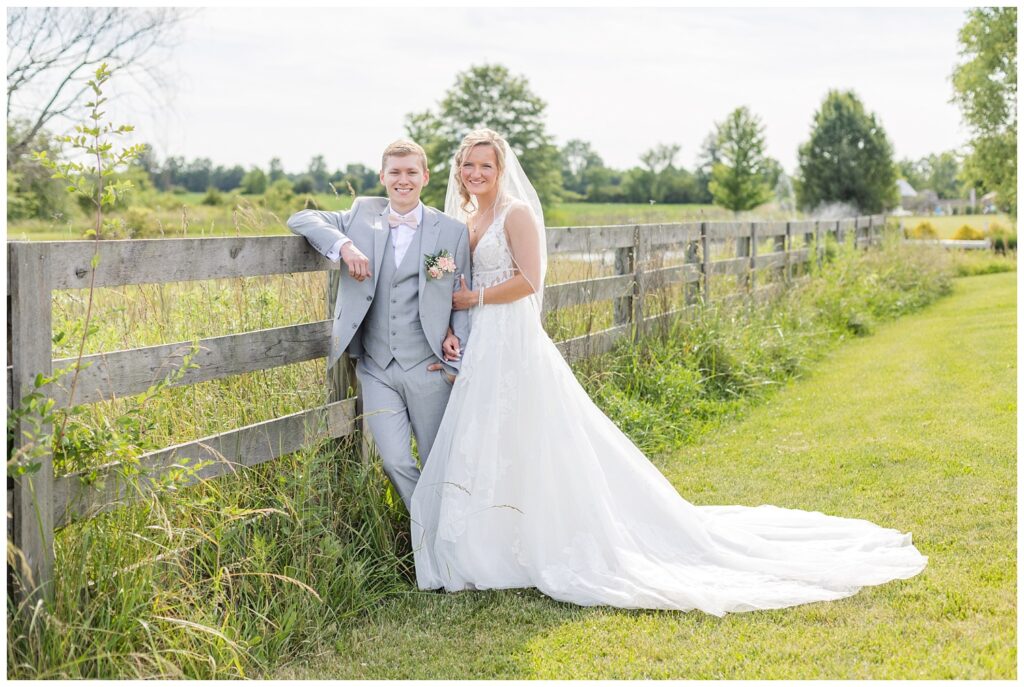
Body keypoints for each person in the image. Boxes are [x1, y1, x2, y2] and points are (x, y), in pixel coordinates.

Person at [409, 129, 927, 615]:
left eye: (486, 165)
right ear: (458, 171)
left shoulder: (515, 214)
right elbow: (451, 285)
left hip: (514, 338)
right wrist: (457, 321)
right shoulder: (466, 220)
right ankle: (490, 544)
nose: (476, 173)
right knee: (491, 439)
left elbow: (530, 280)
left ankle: (537, 541)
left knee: (531, 436)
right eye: (468, 165)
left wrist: (474, 297)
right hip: (480, 342)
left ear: (500, 169)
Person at [287, 139, 471, 510]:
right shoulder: (360, 214)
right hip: (376, 367)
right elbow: (301, 218)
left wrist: (455, 362)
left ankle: (445, 541)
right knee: (396, 461)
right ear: (382, 176)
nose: (403, 180)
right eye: (395, 172)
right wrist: (345, 247)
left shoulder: (451, 231)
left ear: (425, 177)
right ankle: (427, 529)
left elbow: (462, 295)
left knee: (440, 462)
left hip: (429, 366)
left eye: (411, 172)